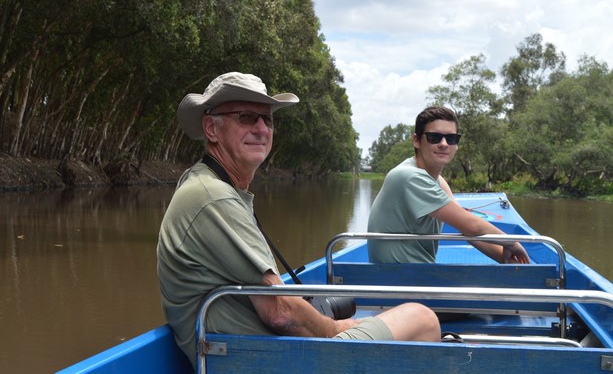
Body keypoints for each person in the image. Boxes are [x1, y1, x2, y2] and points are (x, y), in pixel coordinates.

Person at [157, 72, 440, 368]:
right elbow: (280, 311)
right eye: (246, 117)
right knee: (421, 318)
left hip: (250, 354)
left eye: (268, 119)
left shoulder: (202, 182)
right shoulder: (214, 197)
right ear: (211, 129)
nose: (261, 128)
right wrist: (337, 329)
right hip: (268, 361)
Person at [367, 106, 530, 265]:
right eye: (434, 137)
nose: (444, 144)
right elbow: (472, 225)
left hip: (416, 273)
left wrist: (504, 258)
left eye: (451, 139)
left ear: (456, 145)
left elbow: (465, 227)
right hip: (399, 278)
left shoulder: (437, 180)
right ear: (416, 141)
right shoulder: (409, 176)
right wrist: (511, 242)